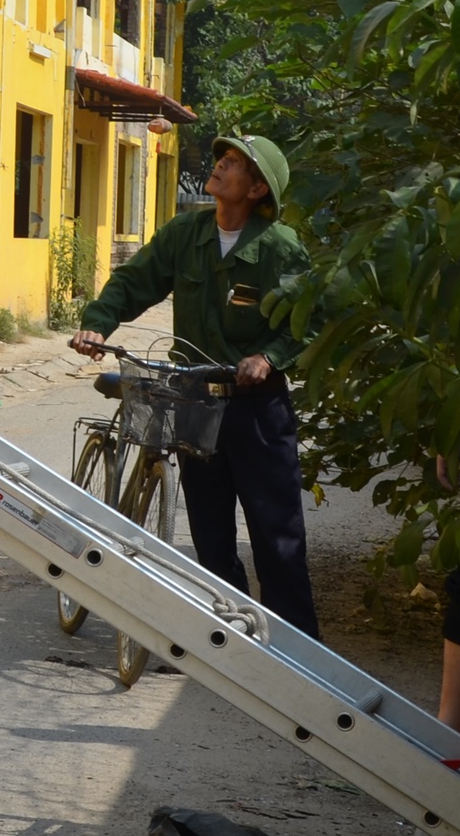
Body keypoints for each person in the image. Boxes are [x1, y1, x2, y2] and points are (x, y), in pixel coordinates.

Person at [69, 134, 317, 640]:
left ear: (255, 190)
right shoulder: (187, 233)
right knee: (210, 535)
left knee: (277, 536)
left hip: (257, 414)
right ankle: (229, 638)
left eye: (234, 165)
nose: (220, 168)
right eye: (221, 159)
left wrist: (269, 357)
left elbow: (309, 321)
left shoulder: (280, 248)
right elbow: (134, 282)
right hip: (197, 405)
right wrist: (98, 323)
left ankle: (300, 656)